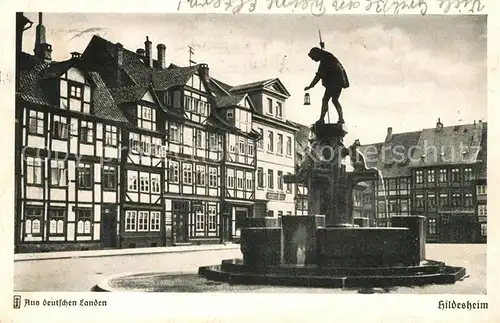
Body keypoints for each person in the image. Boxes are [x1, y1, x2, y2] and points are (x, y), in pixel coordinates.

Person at [304, 47, 349, 124]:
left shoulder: (325, 60)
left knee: (328, 100)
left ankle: (324, 119)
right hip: (337, 82)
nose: (313, 59)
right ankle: (338, 119)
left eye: (313, 57)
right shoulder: (327, 56)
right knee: (332, 100)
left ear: (316, 54)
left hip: (335, 83)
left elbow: (318, 75)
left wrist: (311, 86)